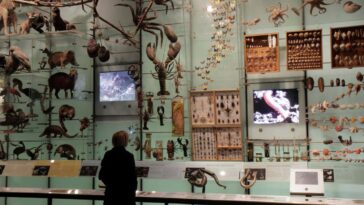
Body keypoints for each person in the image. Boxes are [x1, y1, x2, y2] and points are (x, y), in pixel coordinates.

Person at [99, 130, 137, 205]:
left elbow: (101, 175)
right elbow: (133, 178)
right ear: (125, 141)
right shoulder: (129, 156)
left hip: (111, 195)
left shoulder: (108, 155)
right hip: (126, 196)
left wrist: (111, 185)